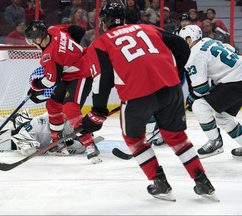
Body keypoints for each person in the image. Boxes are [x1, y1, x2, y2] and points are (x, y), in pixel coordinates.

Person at [80, 2, 218, 201]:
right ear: (124, 20)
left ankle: (159, 182)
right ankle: (203, 181)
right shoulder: (148, 28)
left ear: (103, 24)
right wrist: (173, 71)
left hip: (137, 95)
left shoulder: (100, 43)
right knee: (177, 137)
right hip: (171, 89)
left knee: (134, 139)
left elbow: (102, 80)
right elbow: (180, 45)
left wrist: (98, 112)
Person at [24, 21, 102, 164]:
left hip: (82, 73)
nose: (32, 43)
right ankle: (57, 143)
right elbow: (78, 30)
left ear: (40, 37)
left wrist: (35, 86)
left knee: (70, 109)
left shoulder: (49, 55)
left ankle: (90, 145)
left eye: (33, 39)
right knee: (53, 105)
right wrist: (72, 54)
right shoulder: (54, 29)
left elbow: (51, 81)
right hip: (70, 74)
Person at [179, 25, 242, 160]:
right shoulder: (210, 41)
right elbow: (232, 49)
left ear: (190, 39)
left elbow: (201, 88)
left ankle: (215, 142)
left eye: (183, 40)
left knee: (199, 105)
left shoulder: (193, 54)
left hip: (235, 81)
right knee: (223, 117)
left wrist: (190, 98)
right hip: (238, 77)